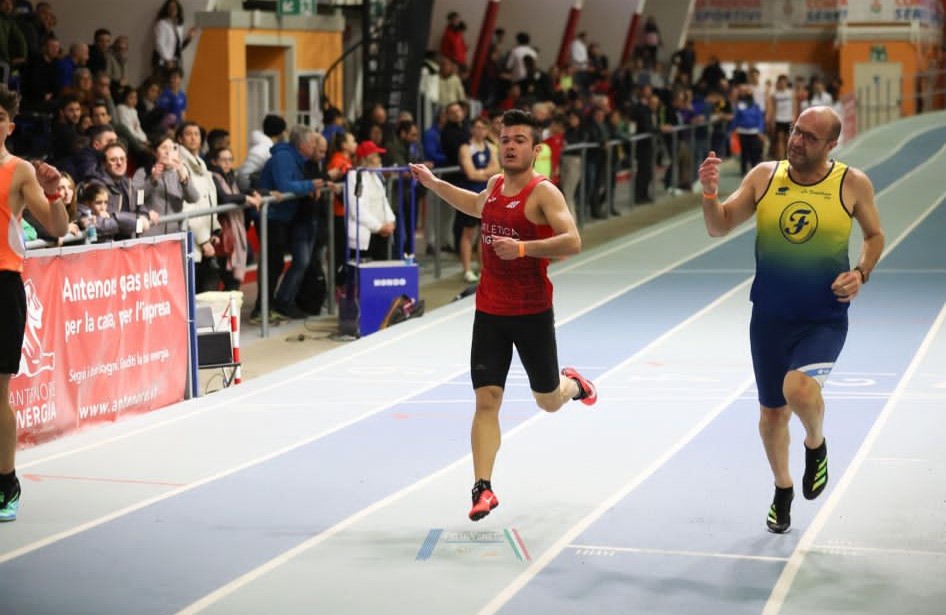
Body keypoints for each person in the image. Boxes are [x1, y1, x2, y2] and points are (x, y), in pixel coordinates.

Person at [697, 105, 885, 534]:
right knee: (771, 414)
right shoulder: (764, 176)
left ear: (832, 144)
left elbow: (875, 235)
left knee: (798, 389)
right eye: (795, 131)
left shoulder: (852, 183)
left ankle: (815, 443)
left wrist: (861, 272)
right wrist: (709, 195)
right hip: (769, 318)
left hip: (823, 317)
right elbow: (718, 226)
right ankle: (782, 489)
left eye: (809, 137)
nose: (796, 141)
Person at [409, 109, 598, 522]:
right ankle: (483, 488)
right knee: (486, 400)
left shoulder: (543, 193)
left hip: (531, 312)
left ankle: (574, 385)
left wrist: (524, 249)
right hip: (490, 311)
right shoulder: (494, 185)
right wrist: (434, 183)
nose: (510, 147)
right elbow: (475, 205)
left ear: (535, 149)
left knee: (548, 401)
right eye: (505, 140)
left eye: (519, 140)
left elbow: (573, 241)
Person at [0, 84, 71, 522]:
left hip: (2, 286)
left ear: (9, 126)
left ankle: (6, 483)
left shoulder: (20, 170)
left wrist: (56, 192)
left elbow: (56, 228)